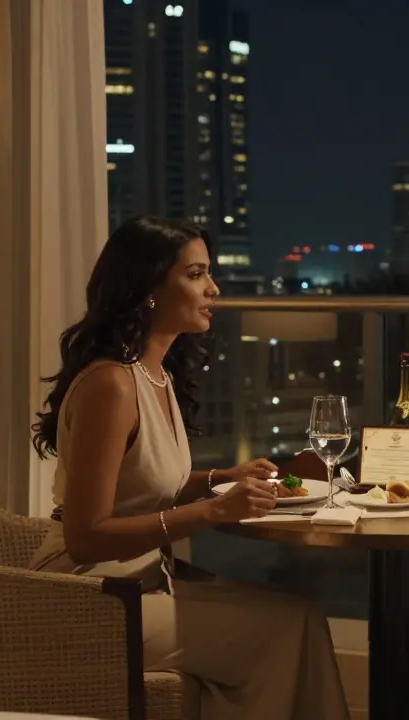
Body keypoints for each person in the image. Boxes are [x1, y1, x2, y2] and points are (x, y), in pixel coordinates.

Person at [28, 216, 350, 720]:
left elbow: (142, 486)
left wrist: (223, 478)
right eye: (196, 274)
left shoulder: (156, 374)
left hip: (141, 580)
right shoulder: (110, 386)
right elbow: (85, 537)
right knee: (282, 632)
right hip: (88, 595)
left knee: (301, 614)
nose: (214, 289)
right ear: (149, 287)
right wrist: (212, 512)